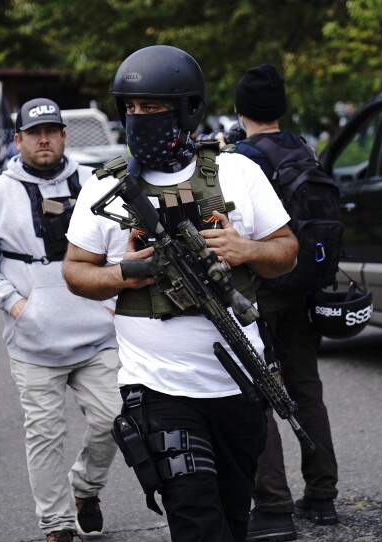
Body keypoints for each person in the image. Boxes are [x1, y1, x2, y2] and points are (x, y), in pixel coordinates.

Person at [62, 45, 298, 542]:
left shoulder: (238, 172)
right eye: (131, 108)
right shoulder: (104, 185)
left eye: (152, 108)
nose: (138, 118)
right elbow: (76, 273)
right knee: (195, 521)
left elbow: (288, 252)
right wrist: (126, 272)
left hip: (239, 381)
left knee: (235, 519)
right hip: (157, 389)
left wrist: (245, 248)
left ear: (187, 109)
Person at [0, 97, 121, 542]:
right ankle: (56, 523)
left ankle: (85, 489)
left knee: (116, 419)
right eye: (34, 133)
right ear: (18, 140)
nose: (44, 139)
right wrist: (14, 305)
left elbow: (121, 243)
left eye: (51, 130)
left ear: (65, 136)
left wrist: (111, 304)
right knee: (45, 436)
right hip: (33, 340)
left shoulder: (95, 184)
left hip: (97, 333)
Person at [232, 64, 340, 541]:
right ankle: (322, 495)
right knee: (305, 387)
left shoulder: (242, 158)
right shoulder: (304, 148)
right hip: (306, 283)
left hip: (265, 286)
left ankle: (273, 507)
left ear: (240, 111)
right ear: (281, 108)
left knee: (259, 394)